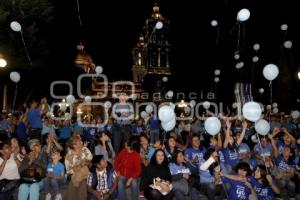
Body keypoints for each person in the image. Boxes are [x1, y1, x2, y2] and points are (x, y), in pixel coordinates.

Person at [65, 135, 93, 200]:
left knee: (83, 171)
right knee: (81, 182)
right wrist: (80, 165)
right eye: (79, 141)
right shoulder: (69, 155)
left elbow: (90, 159)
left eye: (80, 141)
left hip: (84, 174)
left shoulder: (85, 149)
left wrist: (81, 165)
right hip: (74, 175)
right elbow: (68, 170)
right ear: (74, 145)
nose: (81, 142)